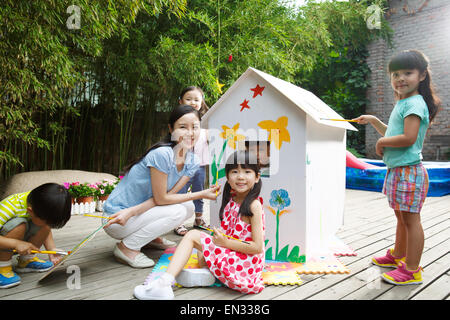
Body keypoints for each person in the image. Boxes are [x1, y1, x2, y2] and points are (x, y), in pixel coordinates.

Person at [353, 50, 440, 285]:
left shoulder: (414, 103)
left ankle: (412, 269)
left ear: (422, 76)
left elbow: (409, 137)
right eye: (395, 74)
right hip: (399, 171)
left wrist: (382, 143)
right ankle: (398, 255)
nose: (400, 78)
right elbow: (394, 134)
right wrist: (373, 120)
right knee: (401, 219)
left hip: (409, 172)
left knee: (411, 221)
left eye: (407, 73)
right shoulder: (405, 102)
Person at [134, 150, 265, 300]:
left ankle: (164, 284)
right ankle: (209, 275)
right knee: (201, 252)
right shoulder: (232, 200)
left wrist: (225, 242)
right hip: (234, 254)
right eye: (235, 171)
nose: (240, 176)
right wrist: (221, 237)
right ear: (228, 178)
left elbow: (257, 247)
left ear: (256, 177)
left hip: (244, 264)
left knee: (192, 236)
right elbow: (232, 234)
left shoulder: (254, 205)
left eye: (247, 172)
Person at [102, 104, 220, 268]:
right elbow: (162, 199)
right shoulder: (163, 154)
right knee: (178, 210)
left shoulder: (192, 161)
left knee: (187, 207)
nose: (190, 133)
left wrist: (133, 211)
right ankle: (127, 247)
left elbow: (167, 197)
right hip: (117, 218)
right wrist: (201, 194)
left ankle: (149, 239)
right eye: (183, 127)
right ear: (171, 129)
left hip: (135, 213)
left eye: (195, 127)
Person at [0, 183, 72, 288]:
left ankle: (26, 260)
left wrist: (51, 249)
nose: (49, 226)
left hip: (12, 243)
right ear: (30, 211)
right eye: (48, 222)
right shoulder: (9, 207)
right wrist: (16, 243)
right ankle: (3, 268)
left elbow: (46, 226)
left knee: (43, 225)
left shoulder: (40, 202)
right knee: (19, 225)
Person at [174, 86, 210, 236]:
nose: (193, 102)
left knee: (199, 191)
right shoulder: (178, 119)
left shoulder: (206, 119)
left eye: (196, 99)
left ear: (202, 102)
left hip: (200, 163)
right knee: (180, 192)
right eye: (189, 99)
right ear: (181, 101)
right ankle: (178, 222)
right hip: (183, 163)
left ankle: (199, 219)